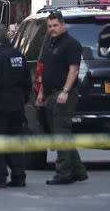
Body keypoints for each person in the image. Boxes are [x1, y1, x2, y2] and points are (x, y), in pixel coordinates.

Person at [36, 12, 88, 185]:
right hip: (51, 93)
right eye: (50, 26)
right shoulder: (50, 43)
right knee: (62, 133)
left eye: (55, 25)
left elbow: (73, 70)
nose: (52, 29)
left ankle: (64, 173)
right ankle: (78, 171)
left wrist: (65, 91)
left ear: (63, 25)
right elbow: (45, 70)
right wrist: (41, 92)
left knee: (61, 134)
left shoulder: (71, 44)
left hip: (64, 93)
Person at [0, 23, 31, 188]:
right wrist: (22, 99)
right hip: (17, 105)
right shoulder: (18, 55)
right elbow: (27, 82)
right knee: (14, 141)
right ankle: (19, 176)